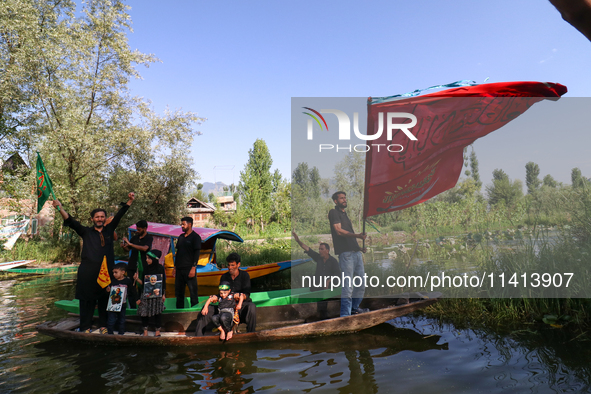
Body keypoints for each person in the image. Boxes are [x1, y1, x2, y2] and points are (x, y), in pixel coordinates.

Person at [53, 192, 135, 334]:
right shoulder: (86, 232)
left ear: (105, 219)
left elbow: (120, 215)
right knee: (86, 301)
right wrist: (60, 208)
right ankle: (85, 327)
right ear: (92, 219)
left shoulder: (109, 230)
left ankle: (103, 326)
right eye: (97, 217)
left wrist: (129, 201)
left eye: (102, 216)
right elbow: (71, 221)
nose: (100, 219)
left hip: (106, 272)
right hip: (88, 272)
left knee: (105, 299)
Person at [328, 191, 369, 317]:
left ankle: (354, 308)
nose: (344, 200)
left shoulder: (345, 215)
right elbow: (339, 231)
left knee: (361, 284)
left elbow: (349, 237)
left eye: (345, 198)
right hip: (346, 256)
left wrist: (359, 248)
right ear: (336, 201)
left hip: (355, 253)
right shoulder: (333, 212)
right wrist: (358, 235)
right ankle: (345, 316)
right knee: (348, 287)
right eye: (341, 198)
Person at [195, 253, 256, 336]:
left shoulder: (245, 275)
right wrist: (214, 297)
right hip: (225, 306)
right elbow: (221, 293)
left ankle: (251, 334)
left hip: (239, 307)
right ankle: (199, 336)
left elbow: (247, 294)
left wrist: (239, 296)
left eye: (232, 265)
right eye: (229, 265)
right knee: (206, 309)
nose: (230, 268)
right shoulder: (224, 277)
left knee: (251, 307)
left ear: (238, 265)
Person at [121, 220, 153, 308]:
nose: (137, 231)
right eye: (137, 229)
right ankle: (133, 307)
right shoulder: (135, 238)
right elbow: (128, 249)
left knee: (143, 287)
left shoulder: (149, 238)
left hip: (143, 266)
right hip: (132, 266)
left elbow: (144, 248)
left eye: (139, 230)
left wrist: (130, 244)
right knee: (131, 288)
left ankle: (144, 307)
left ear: (145, 229)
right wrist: (124, 247)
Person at [135, 250, 166, 337]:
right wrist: (137, 279)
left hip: (157, 294)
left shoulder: (160, 268)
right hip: (146, 294)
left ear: (154, 259)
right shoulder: (146, 268)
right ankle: (145, 331)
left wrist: (163, 293)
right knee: (144, 312)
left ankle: (157, 331)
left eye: (149, 258)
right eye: (146, 258)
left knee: (158, 312)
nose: (147, 260)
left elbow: (163, 282)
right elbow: (143, 284)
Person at [173, 216, 201, 309]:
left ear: (190, 224)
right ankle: (179, 313)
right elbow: (178, 253)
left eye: (183, 224)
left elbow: (197, 253)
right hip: (179, 269)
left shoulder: (195, 237)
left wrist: (193, 267)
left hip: (189, 269)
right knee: (179, 293)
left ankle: (195, 312)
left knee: (193, 292)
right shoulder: (181, 237)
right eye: (181, 224)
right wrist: (175, 267)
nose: (182, 226)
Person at [107, 262, 137, 335]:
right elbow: (108, 290)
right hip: (113, 304)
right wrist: (107, 290)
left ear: (123, 272)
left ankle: (121, 333)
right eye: (113, 273)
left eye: (116, 272)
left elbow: (132, 291)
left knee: (122, 319)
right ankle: (110, 333)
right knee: (111, 319)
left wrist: (137, 299)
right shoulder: (112, 281)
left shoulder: (127, 281)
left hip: (123, 304)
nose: (114, 274)